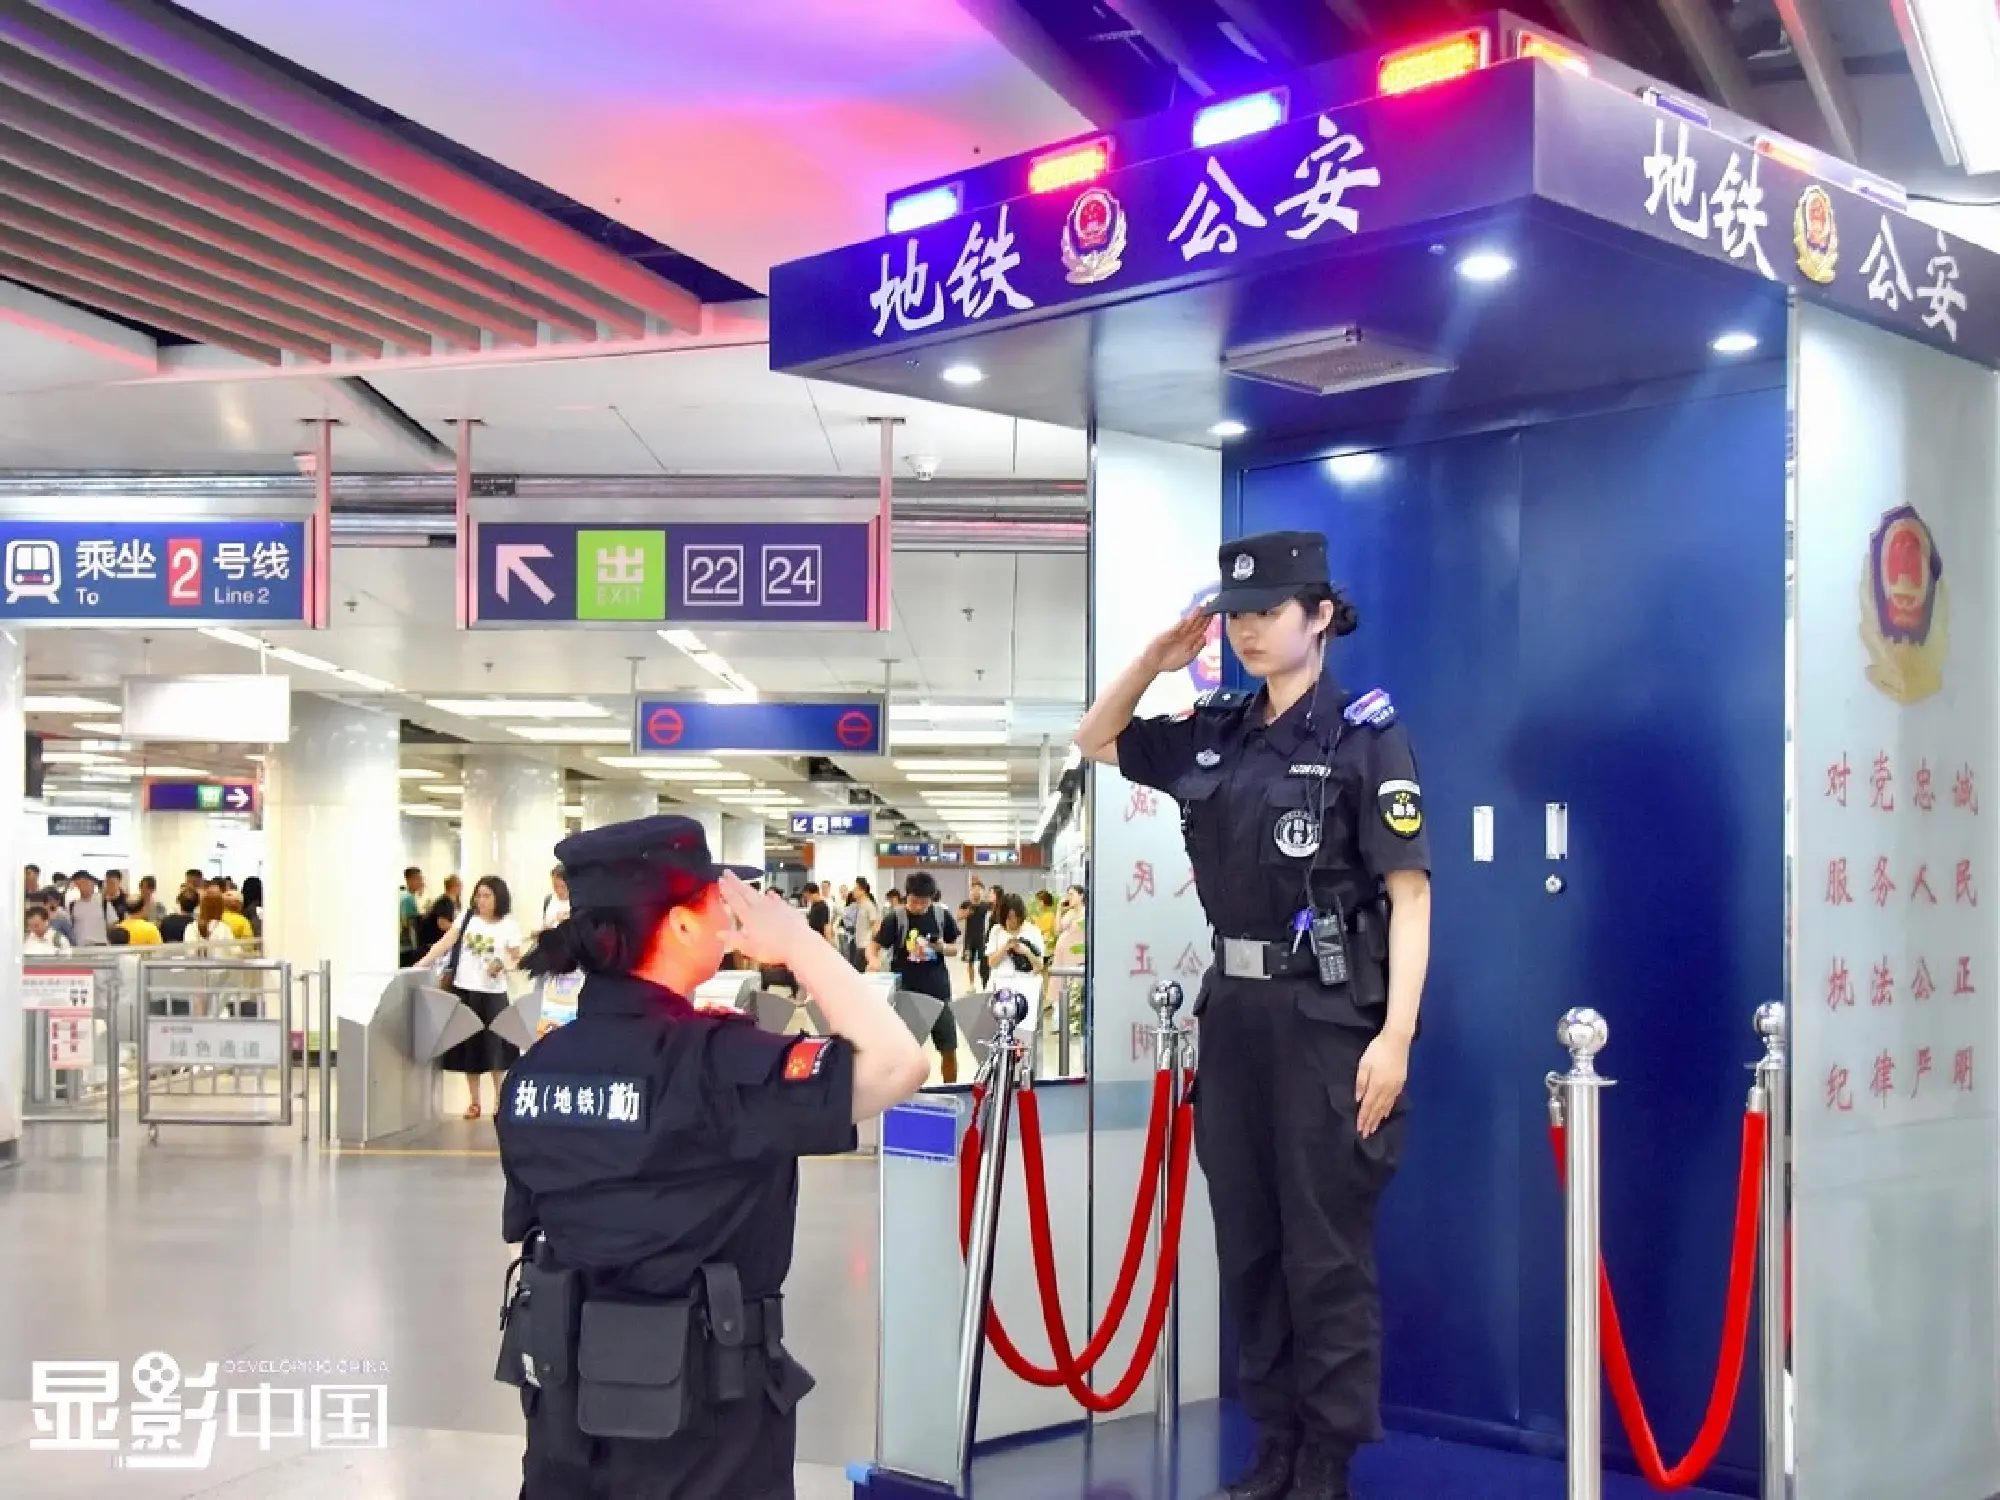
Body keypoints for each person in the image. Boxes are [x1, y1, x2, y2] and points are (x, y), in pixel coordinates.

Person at [1075, 530, 1432, 1500]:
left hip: (1325, 1020)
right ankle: (1271, 1442)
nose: (1245, 632)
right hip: (1231, 1016)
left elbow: (1408, 893)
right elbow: (1095, 739)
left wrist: (1392, 1036)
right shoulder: (1214, 727)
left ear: (1319, 617)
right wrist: (1151, 661)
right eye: (1233, 616)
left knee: (1323, 1249)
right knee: (1251, 1243)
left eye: (1266, 612)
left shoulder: (1364, 734)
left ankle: (1326, 1455)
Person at [493, 815, 927, 1499]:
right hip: (705, 1433)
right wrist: (802, 946)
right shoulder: (718, 1062)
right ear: (682, 925)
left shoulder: (536, 1070)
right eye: (711, 899)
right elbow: (899, 1063)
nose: (729, 909)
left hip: (566, 1425)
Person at [420, 876, 527, 1120]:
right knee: (471, 1049)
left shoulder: (508, 925)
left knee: (496, 1050)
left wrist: (501, 963)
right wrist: (420, 964)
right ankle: (474, 1102)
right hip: (465, 990)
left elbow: (516, 958)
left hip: (493, 994)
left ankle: (500, 1102)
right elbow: (445, 943)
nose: (481, 900)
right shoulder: (468, 918)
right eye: (478, 895)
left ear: (499, 897)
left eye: (487, 895)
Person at [872, 871, 960, 1083]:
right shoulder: (896, 918)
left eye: (924, 902)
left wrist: (940, 948)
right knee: (906, 1054)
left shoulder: (941, 916)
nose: (919, 906)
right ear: (906, 896)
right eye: (914, 901)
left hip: (939, 993)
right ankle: (904, 1095)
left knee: (948, 1049)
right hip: (907, 994)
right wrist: (873, 961)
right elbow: (874, 946)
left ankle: (950, 1090)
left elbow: (954, 949)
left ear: (932, 898)